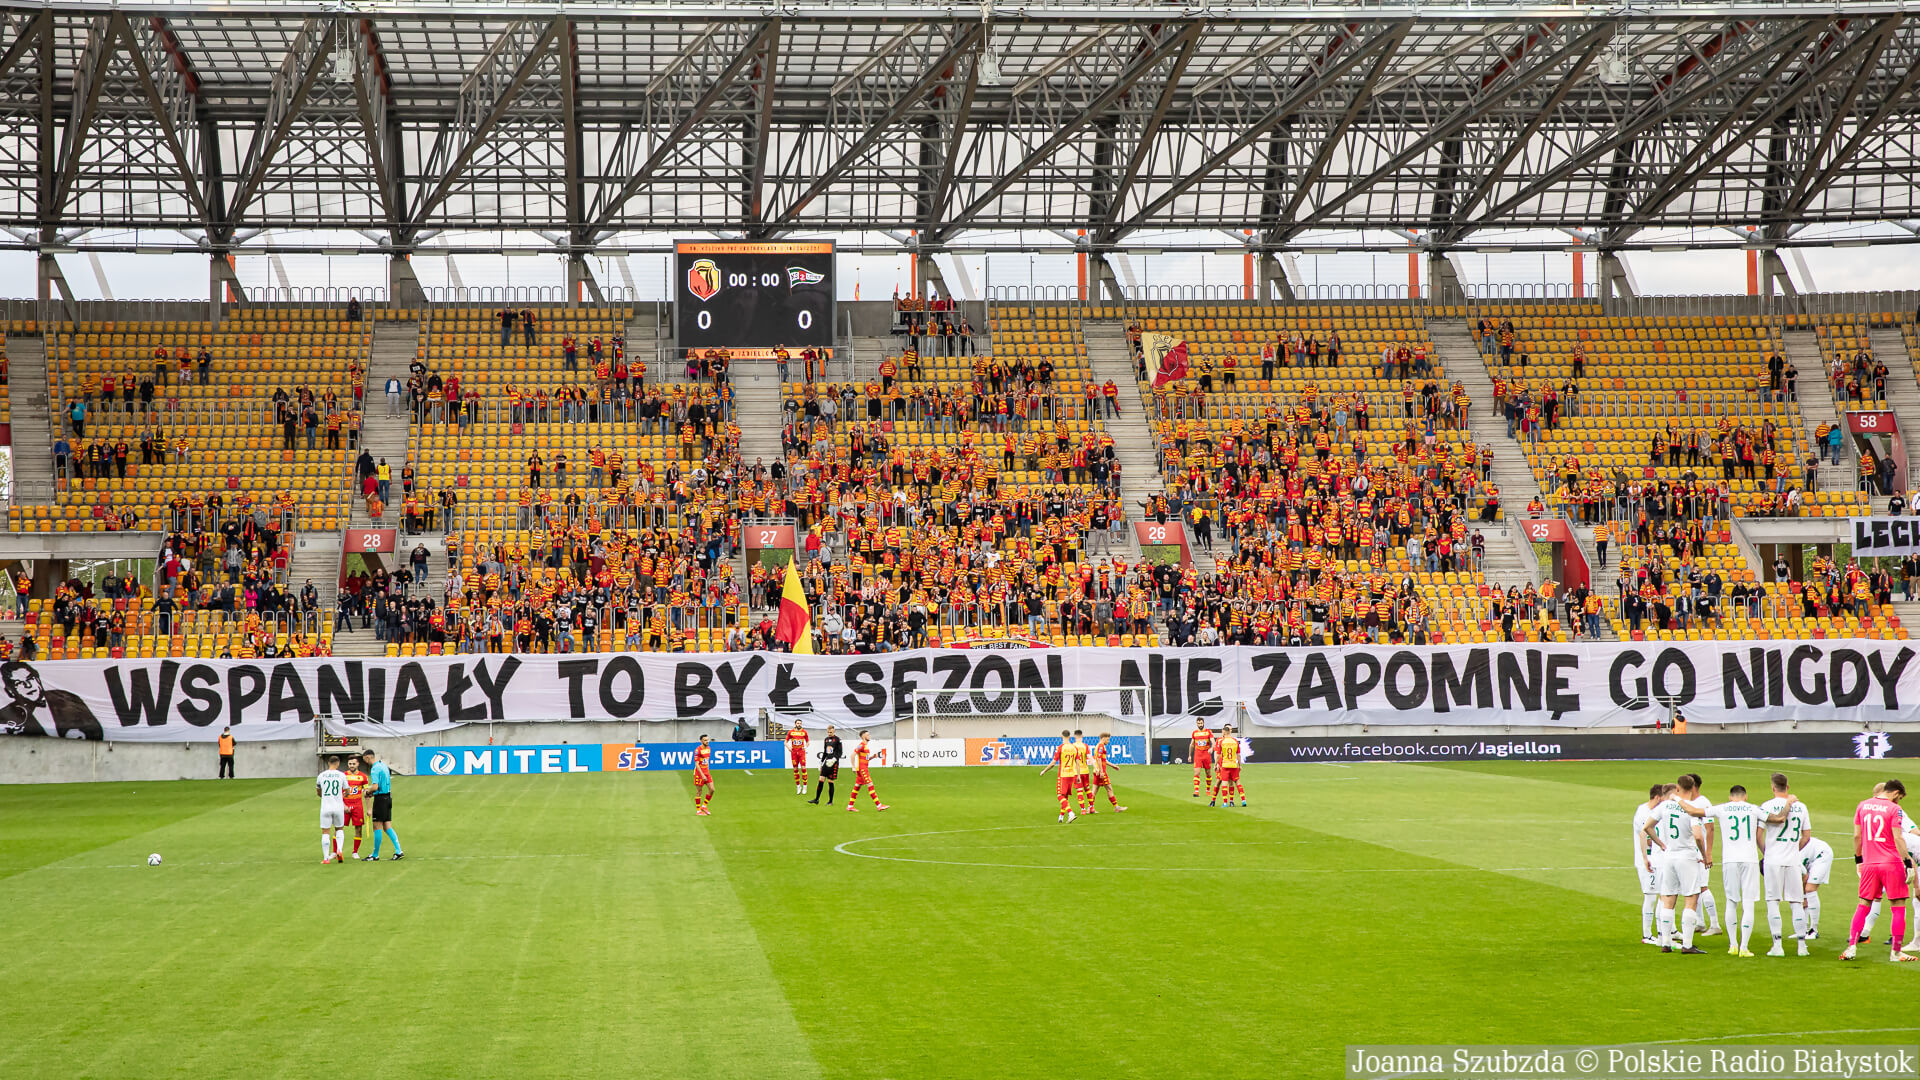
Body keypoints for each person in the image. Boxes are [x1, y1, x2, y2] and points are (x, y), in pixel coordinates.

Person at [1840, 779, 1914, 962]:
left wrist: (1859, 859)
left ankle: (1851, 948)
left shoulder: (1862, 805)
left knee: (1863, 904)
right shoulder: (1893, 809)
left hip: (1869, 864)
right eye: (1900, 798)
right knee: (1898, 907)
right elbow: (1898, 838)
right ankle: (1896, 953)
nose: (1899, 802)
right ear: (1896, 793)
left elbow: (1857, 836)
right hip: (1891, 863)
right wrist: (1907, 862)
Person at [1644, 781, 1707, 953]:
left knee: (1668, 899)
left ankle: (1665, 942)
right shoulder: (1691, 808)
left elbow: (1647, 827)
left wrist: (1661, 844)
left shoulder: (1665, 806)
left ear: (1678, 789)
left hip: (1669, 857)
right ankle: (1687, 944)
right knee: (1691, 899)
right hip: (1686, 856)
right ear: (1692, 789)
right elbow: (1698, 836)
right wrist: (1703, 854)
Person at [1706, 784, 1766, 957]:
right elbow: (1776, 818)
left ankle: (1732, 945)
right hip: (1750, 860)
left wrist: (1677, 799)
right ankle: (1744, 947)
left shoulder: (1722, 808)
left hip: (1729, 860)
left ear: (1730, 797)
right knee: (1748, 902)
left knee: (1731, 901)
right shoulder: (1754, 809)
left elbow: (1697, 812)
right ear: (1745, 796)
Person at [1759, 772, 1813, 955]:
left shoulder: (1766, 806)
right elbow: (1807, 836)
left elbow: (1759, 836)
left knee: (1773, 901)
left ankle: (1778, 946)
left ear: (1773, 788)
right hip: (1793, 860)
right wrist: (1793, 849)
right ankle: (1802, 946)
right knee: (1796, 902)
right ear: (1787, 787)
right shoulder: (1801, 807)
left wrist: (1768, 853)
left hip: (1773, 860)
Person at [1632, 783, 1665, 945]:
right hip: (1648, 862)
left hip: (1657, 860)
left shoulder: (1652, 811)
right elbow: (1644, 836)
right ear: (1658, 797)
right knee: (1651, 896)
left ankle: (1666, 931)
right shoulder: (1643, 813)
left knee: (1662, 895)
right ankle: (1647, 934)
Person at [361, 749, 404, 860]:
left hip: (380, 800)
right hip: (387, 797)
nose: (365, 762)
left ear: (367, 757)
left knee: (377, 826)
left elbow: (375, 786)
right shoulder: (383, 766)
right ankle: (398, 850)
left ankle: (375, 855)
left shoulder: (375, 769)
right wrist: (373, 792)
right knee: (387, 826)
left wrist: (368, 791)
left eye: (364, 759)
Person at [1038, 728, 1081, 823]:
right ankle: (1061, 817)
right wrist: (1078, 776)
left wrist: (1044, 770)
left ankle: (1071, 813)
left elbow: (1053, 763)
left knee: (1060, 795)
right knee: (1065, 796)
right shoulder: (1075, 748)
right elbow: (1078, 763)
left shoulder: (1060, 748)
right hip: (1072, 774)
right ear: (1070, 737)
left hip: (1063, 775)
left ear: (1062, 736)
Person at [1800, 833, 1835, 943]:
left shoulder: (1791, 860)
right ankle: (1803, 930)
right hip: (1809, 858)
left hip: (1821, 854)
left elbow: (1804, 876)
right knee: (1802, 894)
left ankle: (1813, 930)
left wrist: (1804, 897)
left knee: (1810, 890)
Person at [846, 730, 888, 812]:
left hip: (862, 769)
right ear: (863, 736)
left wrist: (872, 757)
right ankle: (879, 805)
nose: (869, 736)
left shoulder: (865, 746)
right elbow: (852, 755)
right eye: (867, 735)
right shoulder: (861, 745)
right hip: (862, 769)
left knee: (857, 787)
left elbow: (865, 759)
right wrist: (853, 767)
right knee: (870, 784)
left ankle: (850, 806)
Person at [317, 755, 348, 864]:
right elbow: (347, 791)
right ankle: (339, 850)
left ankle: (326, 858)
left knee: (325, 831)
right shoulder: (341, 775)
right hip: (338, 807)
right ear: (338, 763)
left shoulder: (321, 776)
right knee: (339, 829)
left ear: (328, 763)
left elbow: (318, 792)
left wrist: (325, 795)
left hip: (326, 807)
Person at [1088, 732, 1126, 814]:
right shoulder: (1101, 746)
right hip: (1101, 772)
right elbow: (1098, 759)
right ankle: (1116, 807)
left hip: (1096, 771)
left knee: (1094, 790)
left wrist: (1113, 766)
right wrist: (1101, 771)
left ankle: (1090, 808)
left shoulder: (1099, 745)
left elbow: (1103, 760)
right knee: (1109, 789)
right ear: (1103, 738)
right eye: (1108, 739)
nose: (1108, 741)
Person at [342, 756, 371, 859]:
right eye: (350, 764)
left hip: (358, 805)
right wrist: (343, 805)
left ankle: (355, 852)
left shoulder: (363, 777)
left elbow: (367, 793)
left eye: (354, 764)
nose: (352, 766)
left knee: (358, 828)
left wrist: (369, 809)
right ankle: (336, 851)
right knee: (339, 827)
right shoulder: (343, 776)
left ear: (358, 764)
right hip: (345, 805)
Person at [1212, 723, 1245, 807]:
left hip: (1225, 765)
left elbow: (1218, 754)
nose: (1230, 730)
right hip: (1231, 764)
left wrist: (1215, 764)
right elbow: (1238, 754)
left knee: (1225, 783)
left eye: (1231, 729)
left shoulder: (1223, 742)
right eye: (1229, 729)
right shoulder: (1233, 741)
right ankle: (1243, 800)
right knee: (1235, 782)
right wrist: (1239, 765)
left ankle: (1227, 802)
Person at [809, 725, 843, 805]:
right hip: (826, 762)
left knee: (830, 782)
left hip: (833, 763)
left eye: (831, 732)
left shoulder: (838, 740)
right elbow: (825, 752)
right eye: (828, 732)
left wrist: (834, 759)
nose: (829, 733)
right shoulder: (826, 739)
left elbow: (840, 752)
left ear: (834, 731)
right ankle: (816, 799)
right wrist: (821, 762)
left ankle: (830, 801)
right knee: (821, 780)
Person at [1188, 720, 1215, 798]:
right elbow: (1192, 744)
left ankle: (1208, 790)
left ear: (1203, 723)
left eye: (1201, 723)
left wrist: (1212, 748)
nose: (1200, 725)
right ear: (1196, 724)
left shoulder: (1208, 732)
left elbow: (1213, 742)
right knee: (1196, 773)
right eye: (1198, 723)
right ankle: (1196, 791)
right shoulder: (1194, 733)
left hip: (1206, 754)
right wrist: (1189, 755)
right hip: (1198, 755)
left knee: (1208, 773)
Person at [692, 733, 715, 816]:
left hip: (706, 773)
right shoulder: (698, 750)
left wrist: (707, 772)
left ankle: (704, 806)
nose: (707, 741)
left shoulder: (709, 748)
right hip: (699, 774)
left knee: (712, 789)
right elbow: (697, 764)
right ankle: (698, 811)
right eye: (705, 740)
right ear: (701, 741)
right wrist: (702, 775)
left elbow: (706, 761)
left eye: (707, 740)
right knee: (699, 792)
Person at [785, 719, 810, 795]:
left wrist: (805, 746)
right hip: (794, 752)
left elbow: (808, 741)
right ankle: (798, 786)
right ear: (795, 724)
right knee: (795, 769)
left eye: (800, 723)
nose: (799, 724)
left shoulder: (804, 732)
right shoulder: (791, 732)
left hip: (801, 752)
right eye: (798, 723)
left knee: (803, 768)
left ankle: (805, 786)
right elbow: (785, 742)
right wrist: (789, 747)